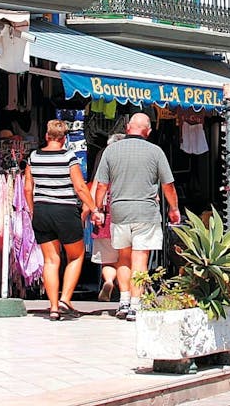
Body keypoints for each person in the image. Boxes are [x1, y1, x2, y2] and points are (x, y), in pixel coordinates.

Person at [92, 112, 179, 321]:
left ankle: (122, 302)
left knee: (122, 256)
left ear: (128, 128)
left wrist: (98, 209)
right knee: (140, 258)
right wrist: (173, 209)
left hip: (120, 211)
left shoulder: (110, 151)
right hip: (146, 212)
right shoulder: (156, 152)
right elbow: (168, 185)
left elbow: (102, 185)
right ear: (148, 131)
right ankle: (135, 305)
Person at [24, 119, 97, 321]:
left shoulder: (34, 157)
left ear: (47, 136)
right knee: (76, 256)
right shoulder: (68, 157)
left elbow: (28, 188)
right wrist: (94, 208)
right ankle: (65, 299)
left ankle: (53, 308)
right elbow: (80, 188)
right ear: (64, 139)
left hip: (42, 211)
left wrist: (32, 210)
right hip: (65, 211)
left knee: (51, 260)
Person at [88, 133, 125, 302]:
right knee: (125, 258)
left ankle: (109, 281)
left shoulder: (104, 162)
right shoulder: (128, 167)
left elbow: (96, 187)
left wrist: (95, 211)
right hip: (126, 216)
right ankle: (126, 295)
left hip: (105, 216)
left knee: (108, 260)